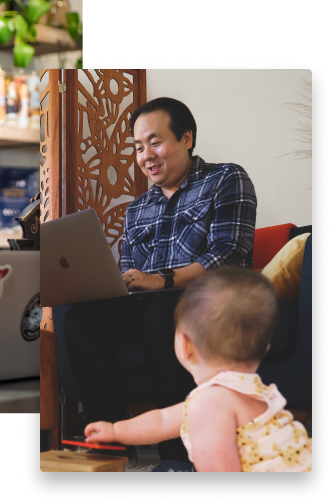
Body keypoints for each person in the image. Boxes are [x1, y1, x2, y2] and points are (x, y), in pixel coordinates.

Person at [61, 97, 257, 462]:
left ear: (187, 138)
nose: (146, 155)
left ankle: (175, 457)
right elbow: (131, 271)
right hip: (146, 304)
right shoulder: (137, 208)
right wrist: (114, 284)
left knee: (158, 310)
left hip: (207, 304)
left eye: (155, 142)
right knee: (80, 320)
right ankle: (113, 447)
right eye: (138, 147)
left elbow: (230, 255)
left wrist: (161, 281)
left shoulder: (226, 178)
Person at [84, 268, 312, 472]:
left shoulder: (208, 404)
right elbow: (162, 421)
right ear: (264, 350)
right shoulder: (252, 391)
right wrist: (115, 431)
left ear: (184, 345)